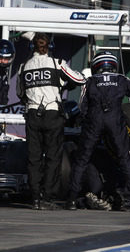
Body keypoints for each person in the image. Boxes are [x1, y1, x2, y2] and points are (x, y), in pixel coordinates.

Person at [65, 51, 130, 211]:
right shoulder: (121, 79)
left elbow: (82, 107)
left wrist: (84, 122)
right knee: (125, 159)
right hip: (115, 121)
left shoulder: (90, 81)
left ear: (96, 66)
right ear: (113, 65)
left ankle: (71, 199)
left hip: (94, 121)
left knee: (82, 160)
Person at [17, 32, 85, 210]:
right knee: (53, 157)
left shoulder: (24, 67)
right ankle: (47, 197)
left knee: (34, 158)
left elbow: (19, 93)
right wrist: (62, 83)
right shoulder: (58, 63)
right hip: (53, 115)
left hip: (32, 115)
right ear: (49, 46)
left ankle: (35, 198)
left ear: (32, 47)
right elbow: (79, 79)